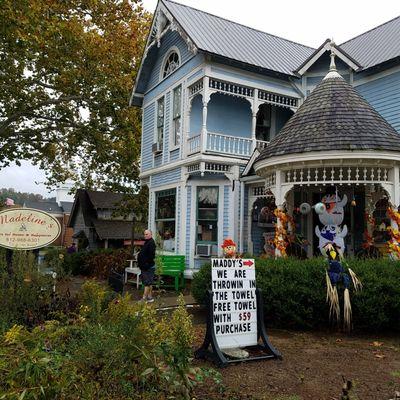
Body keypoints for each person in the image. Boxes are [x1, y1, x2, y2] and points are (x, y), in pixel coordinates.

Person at [137, 229, 156, 303]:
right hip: (146, 266)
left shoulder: (151, 243)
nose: (145, 235)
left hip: (148, 267)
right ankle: (150, 297)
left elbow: (151, 256)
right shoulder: (147, 242)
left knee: (147, 283)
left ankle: (144, 298)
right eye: (144, 234)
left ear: (151, 234)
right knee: (149, 282)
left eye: (147, 234)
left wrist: (146, 265)